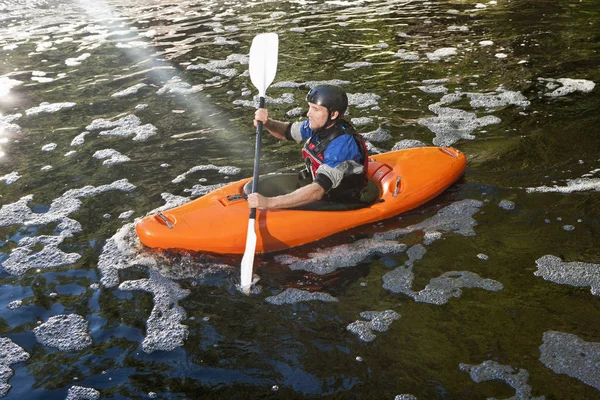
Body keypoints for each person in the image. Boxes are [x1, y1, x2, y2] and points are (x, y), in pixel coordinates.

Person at [247, 84, 368, 210]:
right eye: (309, 107)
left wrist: (269, 203)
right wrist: (267, 122)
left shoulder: (341, 146)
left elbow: (317, 191)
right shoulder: (320, 125)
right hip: (323, 191)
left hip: (340, 201)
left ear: (333, 114)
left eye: (315, 109)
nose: (308, 113)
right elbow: (286, 132)